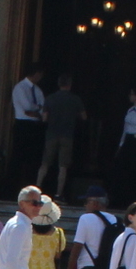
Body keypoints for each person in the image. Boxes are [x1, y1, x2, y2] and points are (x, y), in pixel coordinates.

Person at [38, 72, 83, 200]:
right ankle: (58, 193)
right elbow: (84, 116)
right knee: (63, 166)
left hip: (51, 134)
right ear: (69, 85)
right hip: (67, 135)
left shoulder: (50, 98)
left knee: (45, 163)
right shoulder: (75, 99)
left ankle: (37, 189)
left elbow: (44, 117)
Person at [9, 64, 46, 192]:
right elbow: (27, 109)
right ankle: (14, 188)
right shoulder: (20, 88)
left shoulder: (38, 90)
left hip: (35, 127)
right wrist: (37, 110)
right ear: (35, 73)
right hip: (23, 125)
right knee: (19, 157)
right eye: (40, 74)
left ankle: (30, 187)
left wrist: (37, 111)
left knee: (33, 159)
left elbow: (42, 108)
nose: (41, 77)